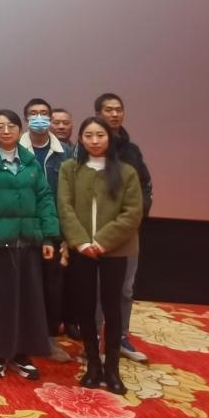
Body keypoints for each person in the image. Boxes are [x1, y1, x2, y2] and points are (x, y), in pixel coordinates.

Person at [0, 109, 59, 381]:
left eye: (11, 126)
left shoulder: (31, 163)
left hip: (27, 242)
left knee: (28, 300)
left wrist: (48, 236)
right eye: (0, 126)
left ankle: (21, 354)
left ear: (19, 130)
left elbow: (45, 200)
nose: (6, 131)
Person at [58, 116, 143, 395]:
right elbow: (65, 207)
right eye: (89, 136)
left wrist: (102, 241)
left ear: (109, 138)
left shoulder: (126, 172)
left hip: (115, 249)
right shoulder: (70, 169)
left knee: (112, 307)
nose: (94, 141)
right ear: (81, 139)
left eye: (100, 135)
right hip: (81, 249)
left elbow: (132, 212)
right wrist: (82, 242)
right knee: (84, 306)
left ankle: (112, 369)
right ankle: (93, 365)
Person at [95, 92, 153, 363]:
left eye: (118, 109)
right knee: (96, 289)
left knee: (125, 289)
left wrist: (136, 215)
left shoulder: (132, 151)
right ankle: (94, 339)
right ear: (98, 114)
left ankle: (120, 337)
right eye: (109, 109)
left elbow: (145, 186)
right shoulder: (88, 149)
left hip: (127, 231)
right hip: (95, 231)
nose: (115, 114)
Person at [20, 97, 73, 363]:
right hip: (22, 230)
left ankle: (49, 339)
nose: (39, 117)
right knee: (24, 286)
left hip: (54, 230)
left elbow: (71, 196)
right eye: (33, 113)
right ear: (26, 119)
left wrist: (66, 236)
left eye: (43, 113)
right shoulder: (14, 148)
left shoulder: (66, 153)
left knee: (52, 289)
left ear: (50, 119)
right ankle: (22, 338)